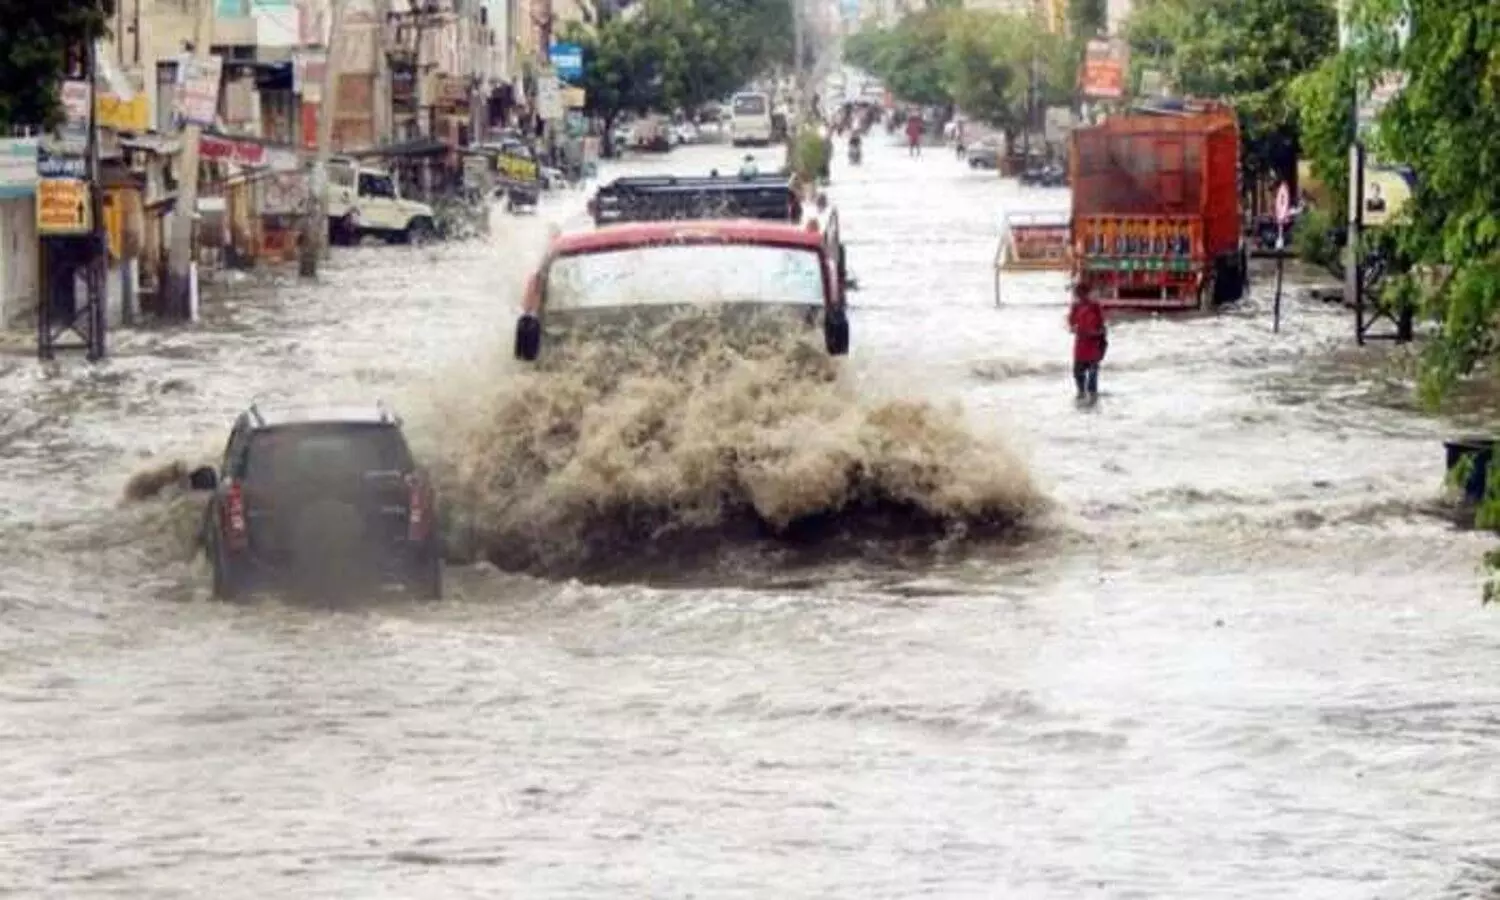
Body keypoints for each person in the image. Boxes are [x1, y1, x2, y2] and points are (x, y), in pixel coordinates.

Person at [1067, 283, 1107, 401]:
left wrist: (1098, 336)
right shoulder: (1076, 307)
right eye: (1092, 293)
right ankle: (1081, 393)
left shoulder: (1095, 307)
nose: (1095, 295)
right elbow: (1071, 324)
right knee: (1077, 373)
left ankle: (1092, 396)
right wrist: (1074, 328)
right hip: (1081, 345)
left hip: (1094, 345)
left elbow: (1102, 326)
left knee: (1093, 375)